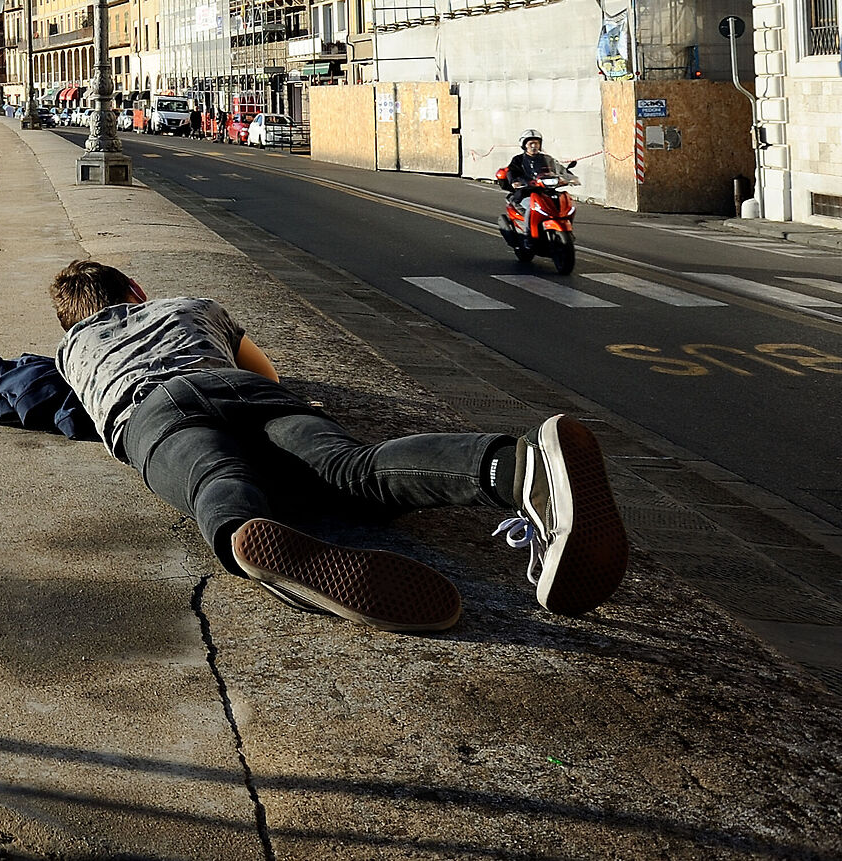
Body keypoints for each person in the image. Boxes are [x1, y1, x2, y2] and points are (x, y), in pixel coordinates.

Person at [51, 258, 628, 631]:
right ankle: (520, 466)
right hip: (237, 385)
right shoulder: (190, 306)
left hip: (151, 412)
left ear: (71, 321)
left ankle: (249, 536)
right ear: (135, 290)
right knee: (353, 468)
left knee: (216, 480)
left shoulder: (71, 351)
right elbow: (267, 373)